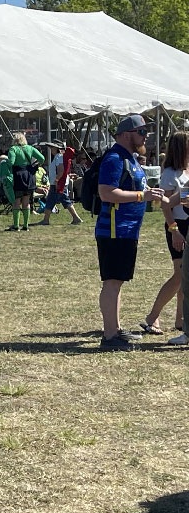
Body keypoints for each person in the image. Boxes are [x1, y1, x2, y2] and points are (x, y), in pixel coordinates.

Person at [96, 114, 167, 350]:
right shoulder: (115, 158)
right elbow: (106, 192)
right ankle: (109, 337)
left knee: (118, 281)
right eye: (142, 132)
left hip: (127, 230)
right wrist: (141, 196)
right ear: (127, 134)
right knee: (112, 282)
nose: (145, 136)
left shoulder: (131, 159)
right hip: (114, 229)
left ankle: (115, 329)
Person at [142, 132, 189, 338]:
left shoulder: (187, 171)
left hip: (187, 224)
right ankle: (152, 317)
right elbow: (166, 205)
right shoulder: (170, 174)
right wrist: (174, 230)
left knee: (185, 277)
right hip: (178, 226)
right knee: (179, 276)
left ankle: (181, 319)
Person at [36, 142, 83, 226]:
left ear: (56, 148)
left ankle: (76, 218)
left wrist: (57, 180)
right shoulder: (59, 157)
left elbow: (61, 170)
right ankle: (46, 220)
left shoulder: (59, 157)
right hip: (58, 183)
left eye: (52, 147)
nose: (51, 149)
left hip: (58, 184)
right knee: (51, 201)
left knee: (65, 201)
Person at [7, 132, 45, 231]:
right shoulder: (30, 148)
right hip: (29, 176)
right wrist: (35, 166)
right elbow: (42, 158)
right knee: (26, 201)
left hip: (18, 176)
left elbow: (11, 162)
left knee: (16, 201)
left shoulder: (13, 149)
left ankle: (16, 226)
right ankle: (25, 225)